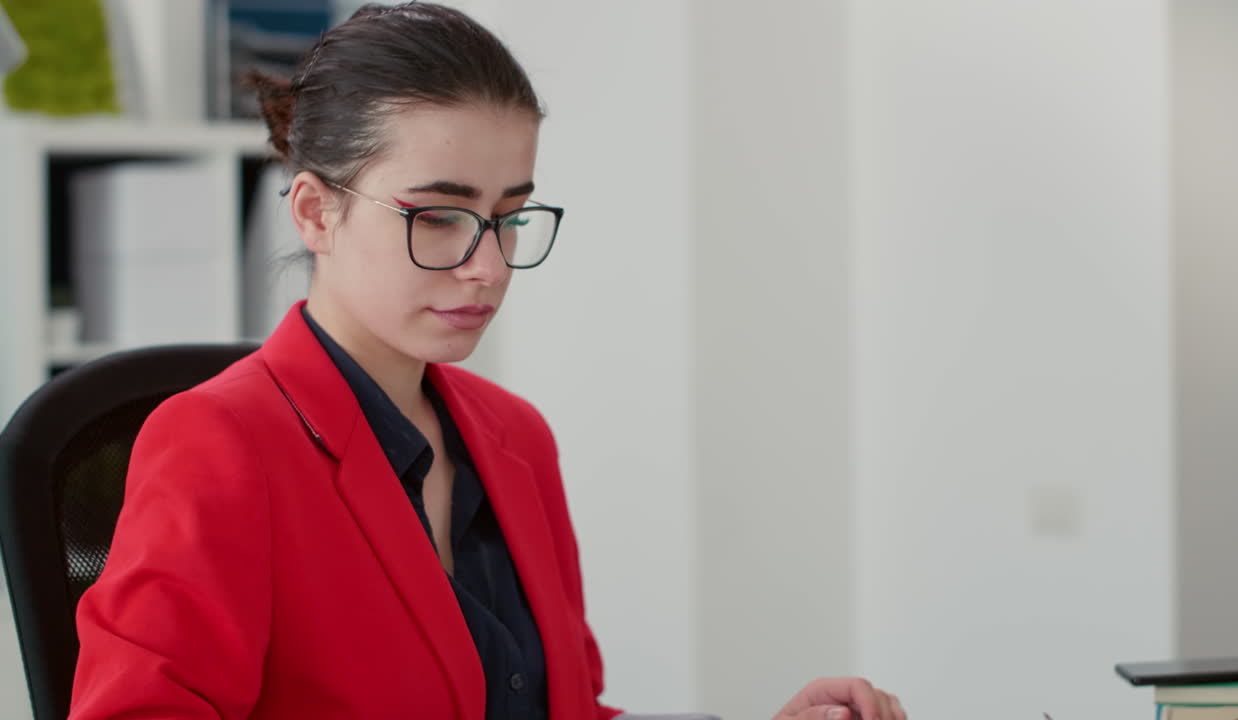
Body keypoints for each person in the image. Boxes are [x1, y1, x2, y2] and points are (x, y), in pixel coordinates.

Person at [68, 4, 907, 720]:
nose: (489, 266)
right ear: (316, 212)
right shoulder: (218, 443)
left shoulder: (513, 438)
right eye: (438, 216)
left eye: (510, 216)